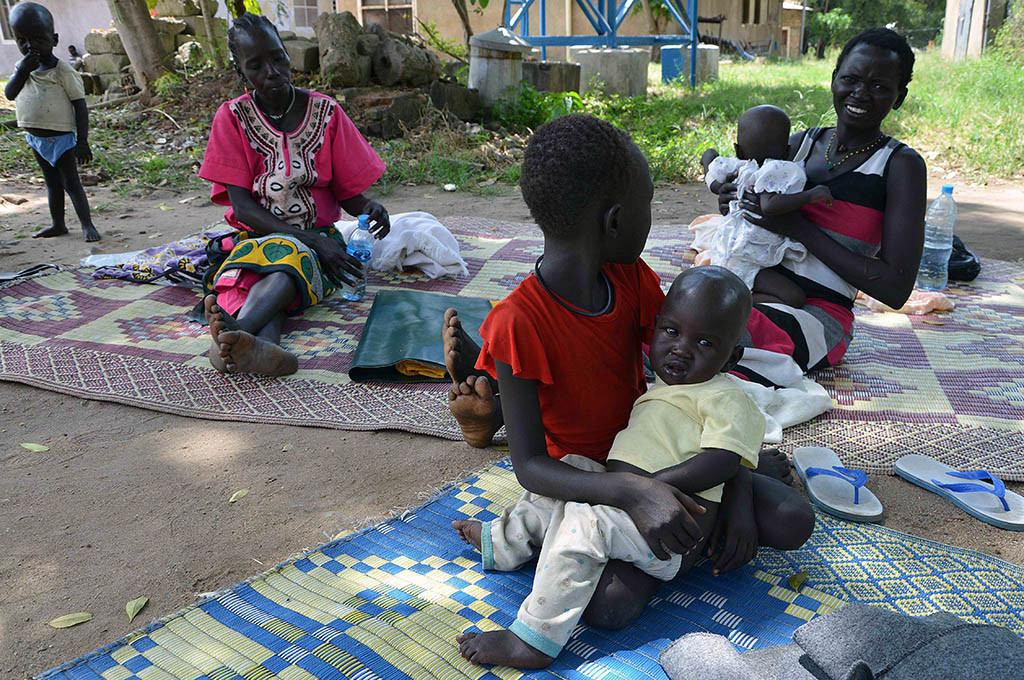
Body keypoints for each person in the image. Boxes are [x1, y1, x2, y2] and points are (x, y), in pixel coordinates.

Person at [442, 115, 812, 665]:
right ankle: (527, 543)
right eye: (648, 206)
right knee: (607, 607)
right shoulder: (518, 320)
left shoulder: (631, 279)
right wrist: (635, 494)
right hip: (590, 478)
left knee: (790, 517)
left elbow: (695, 372)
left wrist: (734, 486)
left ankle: (697, 511)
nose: (651, 217)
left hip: (674, 461)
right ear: (615, 221)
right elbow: (532, 469)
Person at [454, 266, 779, 669]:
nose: (681, 349)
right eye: (672, 333)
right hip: (632, 503)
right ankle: (503, 542)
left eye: (705, 343)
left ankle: (535, 638)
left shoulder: (728, 398)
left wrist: (649, 488)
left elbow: (723, 461)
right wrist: (627, 489)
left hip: (675, 527)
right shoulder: (665, 388)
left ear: (732, 356)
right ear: (655, 328)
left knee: (584, 523)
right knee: (572, 469)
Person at [714, 28, 927, 389]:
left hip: (816, 313)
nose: (860, 92)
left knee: (713, 343)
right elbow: (755, 210)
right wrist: (734, 201)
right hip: (753, 285)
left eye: (879, 86)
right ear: (834, 80)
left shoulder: (899, 166)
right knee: (675, 316)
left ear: (899, 97)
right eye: (851, 78)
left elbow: (895, 288)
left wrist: (798, 228)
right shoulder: (795, 145)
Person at [199, 13, 391, 377]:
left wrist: (370, 207)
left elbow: (350, 196)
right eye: (255, 65)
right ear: (240, 72)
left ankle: (232, 338)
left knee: (286, 268)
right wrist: (308, 243)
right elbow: (242, 207)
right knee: (279, 267)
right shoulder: (232, 118)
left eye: (277, 58)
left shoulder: (326, 112)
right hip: (257, 238)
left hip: (320, 243)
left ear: (288, 55)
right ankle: (260, 346)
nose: (271, 71)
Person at [699, 105, 834, 307]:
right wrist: (809, 196)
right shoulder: (781, 170)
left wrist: (719, 186)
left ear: (738, 150)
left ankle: (728, 298)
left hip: (726, 247)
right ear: (788, 151)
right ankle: (742, 304)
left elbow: (710, 164)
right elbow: (769, 205)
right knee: (794, 298)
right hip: (749, 257)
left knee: (725, 286)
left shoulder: (738, 166)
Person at [4, 2, 100, 243]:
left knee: (71, 182)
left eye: (38, 39)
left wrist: (83, 142)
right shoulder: (22, 68)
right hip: (35, 139)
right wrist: (22, 71)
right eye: (22, 40)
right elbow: (9, 93)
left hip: (61, 138)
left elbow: (80, 106)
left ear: (54, 39)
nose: (29, 46)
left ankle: (87, 225)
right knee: (51, 184)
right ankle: (58, 224)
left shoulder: (63, 71)